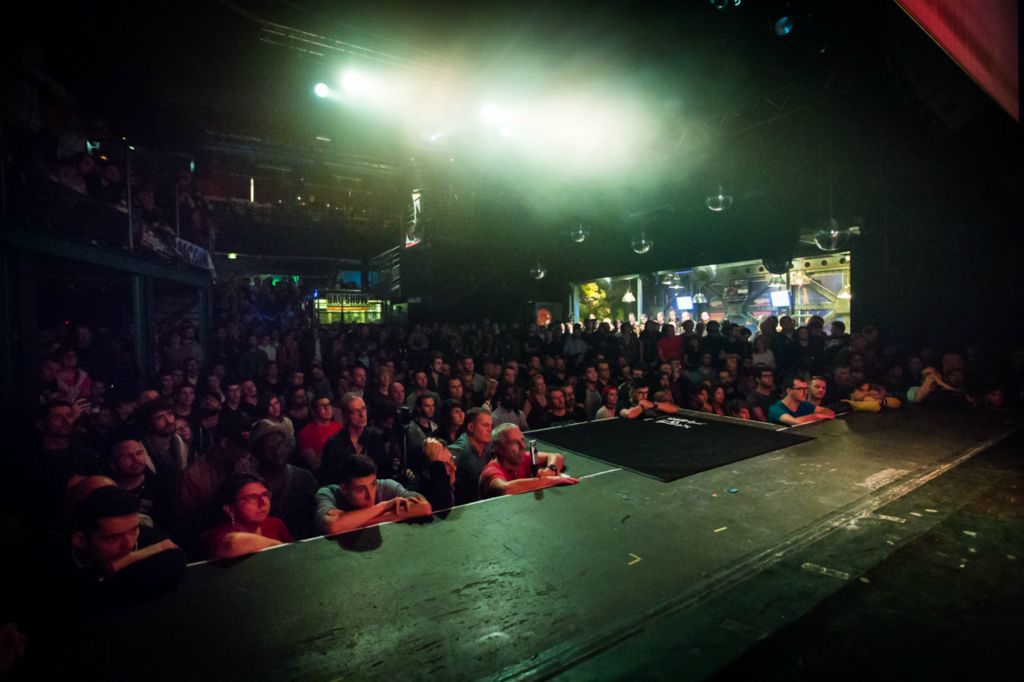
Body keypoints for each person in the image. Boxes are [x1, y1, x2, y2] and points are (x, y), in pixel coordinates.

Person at [313, 455, 431, 536]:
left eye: (373, 484)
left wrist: (351, 522)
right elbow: (333, 526)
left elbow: (425, 507)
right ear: (344, 489)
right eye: (360, 490)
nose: (370, 495)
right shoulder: (328, 493)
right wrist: (384, 506)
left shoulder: (386, 486)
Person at [199, 474, 293, 560]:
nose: (263, 502)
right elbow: (231, 544)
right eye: (251, 498)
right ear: (230, 509)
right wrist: (278, 546)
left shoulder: (275, 524)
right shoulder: (213, 535)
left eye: (265, 495)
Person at [250, 421, 317, 540]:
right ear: (257, 452)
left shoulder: (305, 479)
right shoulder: (248, 486)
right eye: (269, 448)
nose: (277, 452)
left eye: (280, 445)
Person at [479, 424, 578, 498]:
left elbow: (556, 456)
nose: (523, 446)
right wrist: (549, 480)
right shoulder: (491, 471)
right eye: (514, 442)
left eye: (522, 440)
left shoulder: (522, 458)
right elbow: (506, 489)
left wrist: (550, 471)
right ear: (498, 448)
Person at [448, 408, 494, 506]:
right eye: (485, 425)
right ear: (471, 427)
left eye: (491, 425)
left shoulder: (488, 446)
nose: (490, 430)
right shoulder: (459, 450)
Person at [296, 396, 342, 474]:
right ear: (314, 411)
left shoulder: (339, 427)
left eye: (328, 405)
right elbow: (313, 462)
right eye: (322, 406)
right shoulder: (306, 432)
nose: (327, 408)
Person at [768, 377, 837, 426]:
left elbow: (830, 413)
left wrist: (820, 415)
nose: (805, 392)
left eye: (806, 389)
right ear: (789, 391)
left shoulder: (805, 405)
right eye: (800, 389)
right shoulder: (775, 409)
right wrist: (816, 416)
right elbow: (796, 422)